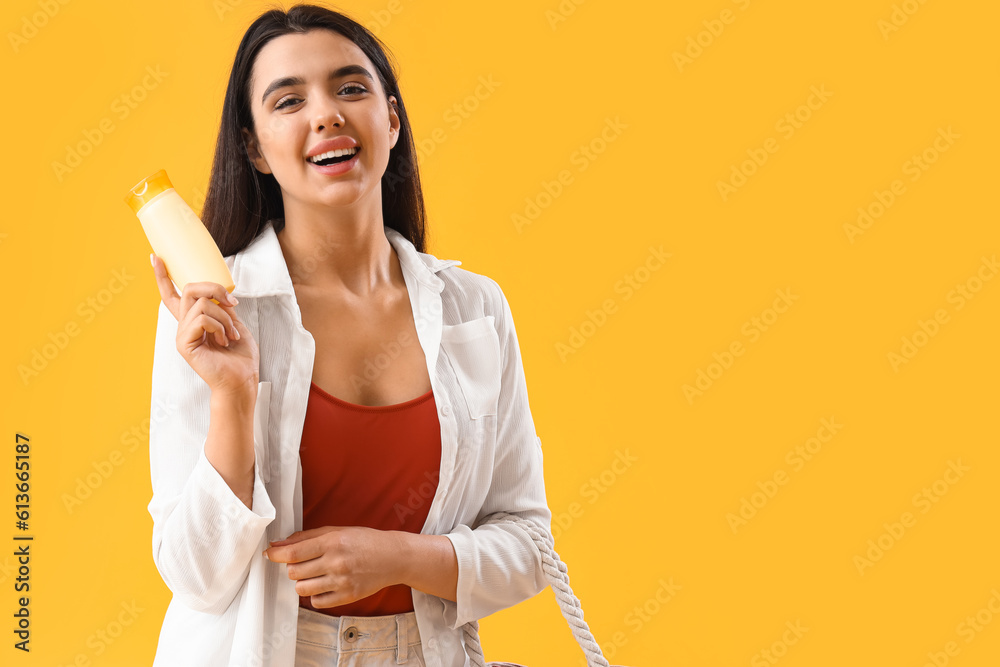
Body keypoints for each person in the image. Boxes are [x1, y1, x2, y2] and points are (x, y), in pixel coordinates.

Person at [146, 4, 553, 666]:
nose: (326, 113)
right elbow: (197, 576)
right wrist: (233, 396)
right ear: (254, 147)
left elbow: (530, 546)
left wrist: (397, 557)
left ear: (391, 119)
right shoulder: (216, 317)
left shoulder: (474, 309)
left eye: (351, 88)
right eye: (288, 101)